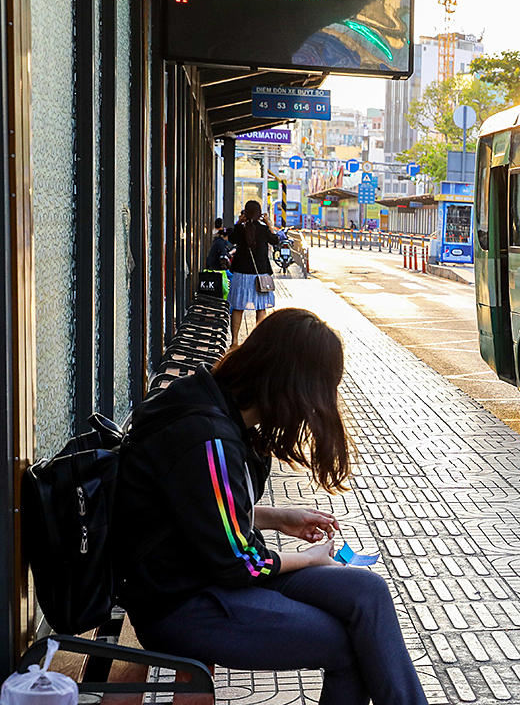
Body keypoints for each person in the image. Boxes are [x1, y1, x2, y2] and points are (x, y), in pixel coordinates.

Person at [114, 309, 428, 705]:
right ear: (291, 385)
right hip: (181, 602)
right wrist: (310, 559)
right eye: (317, 394)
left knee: (368, 591)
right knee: (344, 646)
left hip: (205, 576)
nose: (313, 411)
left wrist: (279, 518)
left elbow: (196, 510)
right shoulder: (206, 435)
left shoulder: (216, 407)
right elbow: (241, 562)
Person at [227, 200, 280, 341]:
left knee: (238, 307)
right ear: (259, 213)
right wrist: (268, 223)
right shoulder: (263, 230)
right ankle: (258, 342)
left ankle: (234, 341)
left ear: (245, 213)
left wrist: (238, 222)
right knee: (261, 308)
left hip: (241, 273)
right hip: (260, 275)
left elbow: (230, 239)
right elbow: (275, 240)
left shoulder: (240, 229)